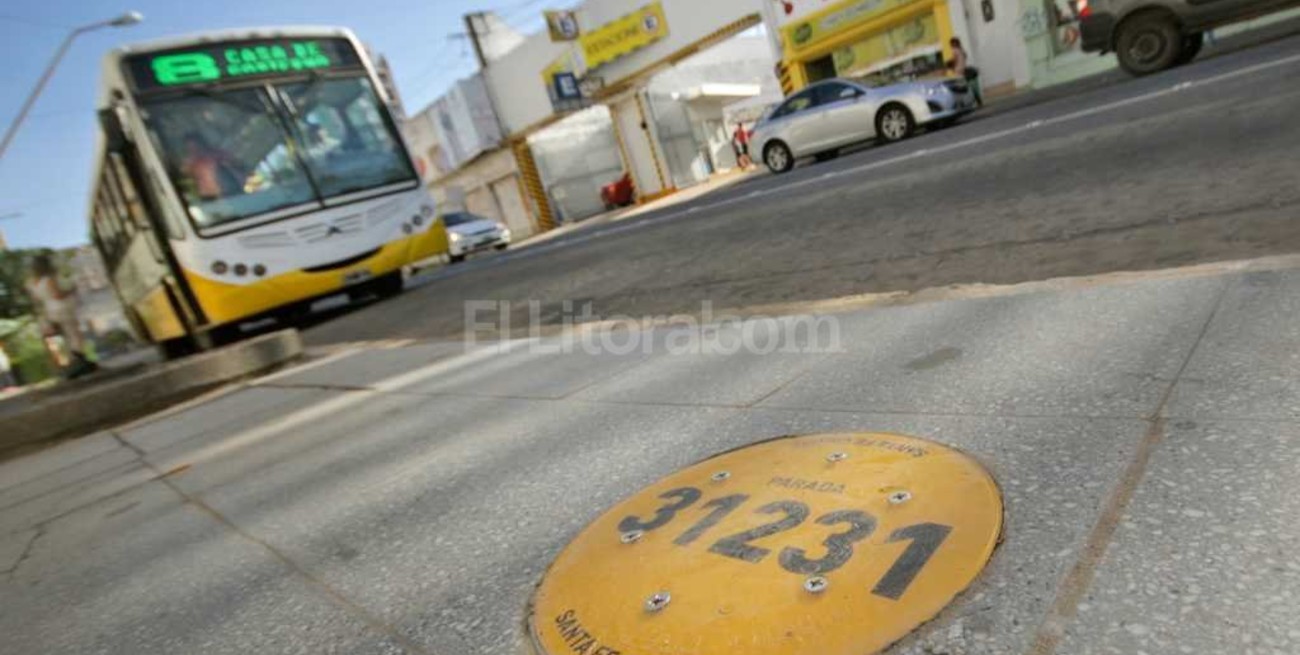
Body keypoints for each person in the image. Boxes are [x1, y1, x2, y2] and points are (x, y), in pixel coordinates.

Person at [25, 254, 98, 379]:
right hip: (62, 308)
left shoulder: (31, 284)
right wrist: (71, 290)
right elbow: (57, 295)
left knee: (63, 338)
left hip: (49, 311)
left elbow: (36, 301)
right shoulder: (48, 279)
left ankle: (72, 364)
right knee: (74, 334)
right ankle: (81, 362)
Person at [180, 132, 244, 200]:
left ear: (202, 143)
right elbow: (183, 179)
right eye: (191, 147)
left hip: (232, 193)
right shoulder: (190, 163)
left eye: (196, 145)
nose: (195, 148)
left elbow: (239, 165)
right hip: (209, 198)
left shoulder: (218, 154)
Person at [948, 37, 983, 106]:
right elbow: (964, 58)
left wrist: (950, 64)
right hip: (963, 69)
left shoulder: (954, 50)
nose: (951, 45)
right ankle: (977, 100)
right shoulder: (961, 50)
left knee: (962, 88)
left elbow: (954, 60)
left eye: (952, 43)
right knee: (968, 86)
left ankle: (966, 102)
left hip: (959, 71)